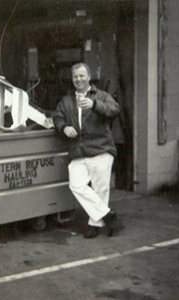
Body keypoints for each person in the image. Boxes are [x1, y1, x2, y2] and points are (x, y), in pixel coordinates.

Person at [53, 63, 120, 238]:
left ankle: (94, 225)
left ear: (89, 77)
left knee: (100, 188)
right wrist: (64, 127)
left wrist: (94, 104)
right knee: (76, 184)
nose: (78, 79)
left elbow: (114, 110)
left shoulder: (102, 96)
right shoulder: (67, 101)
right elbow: (57, 116)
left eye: (82, 76)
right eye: (75, 76)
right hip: (78, 151)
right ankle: (107, 215)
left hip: (100, 148)